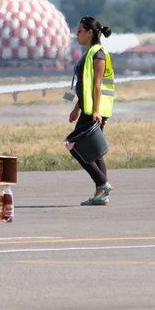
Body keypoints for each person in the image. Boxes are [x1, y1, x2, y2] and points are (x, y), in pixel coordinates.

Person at [66, 15, 115, 206]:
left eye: (79, 31)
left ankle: (102, 183)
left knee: (73, 144)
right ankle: (101, 194)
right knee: (94, 151)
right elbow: (84, 86)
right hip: (87, 108)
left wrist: (95, 111)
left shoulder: (98, 54)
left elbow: (97, 84)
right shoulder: (89, 53)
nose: (76, 34)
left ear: (90, 32)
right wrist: (76, 107)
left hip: (96, 110)